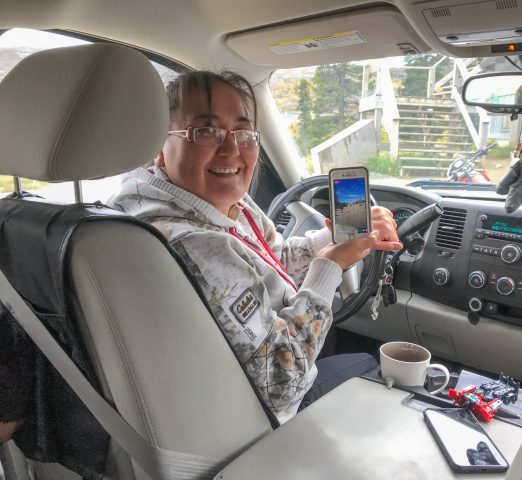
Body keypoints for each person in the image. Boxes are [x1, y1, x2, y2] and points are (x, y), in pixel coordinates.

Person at [108, 70, 402, 423]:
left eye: (244, 132)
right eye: (206, 131)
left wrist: (329, 240)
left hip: (224, 396)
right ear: (158, 146)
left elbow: (263, 260)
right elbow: (282, 383)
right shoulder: (197, 246)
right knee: (374, 369)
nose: (231, 148)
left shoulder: (177, 200)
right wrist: (329, 268)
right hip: (262, 421)